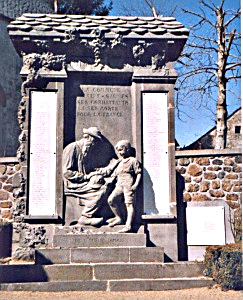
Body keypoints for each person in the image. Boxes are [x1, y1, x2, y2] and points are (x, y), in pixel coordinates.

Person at [62, 127, 107, 226]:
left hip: (81, 181)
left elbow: (87, 170)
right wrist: (86, 177)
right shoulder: (72, 148)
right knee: (101, 190)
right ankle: (85, 217)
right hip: (72, 183)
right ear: (87, 138)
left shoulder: (86, 151)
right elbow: (67, 172)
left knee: (104, 182)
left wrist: (97, 172)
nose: (94, 145)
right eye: (94, 142)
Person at [106, 140, 142, 233]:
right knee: (111, 200)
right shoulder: (120, 162)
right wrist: (110, 181)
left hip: (128, 185)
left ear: (127, 149)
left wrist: (136, 184)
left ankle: (128, 225)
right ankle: (118, 218)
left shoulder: (133, 161)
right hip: (119, 185)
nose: (119, 152)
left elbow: (138, 173)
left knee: (129, 204)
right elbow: (115, 174)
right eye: (118, 150)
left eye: (121, 150)